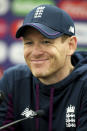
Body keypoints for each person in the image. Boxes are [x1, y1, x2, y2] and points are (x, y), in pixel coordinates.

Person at [0, 4, 87, 131]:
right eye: (29, 43)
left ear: (70, 45)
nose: (35, 52)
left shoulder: (84, 85)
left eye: (46, 42)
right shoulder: (12, 80)